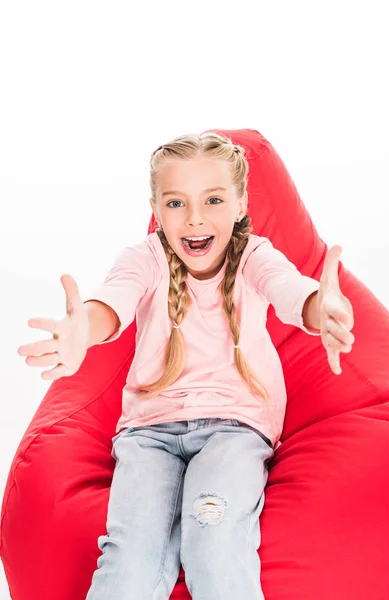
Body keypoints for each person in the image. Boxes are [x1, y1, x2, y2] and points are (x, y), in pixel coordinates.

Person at [17, 132, 355, 599]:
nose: (195, 218)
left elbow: (290, 291)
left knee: (213, 542)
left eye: (213, 200)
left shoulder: (254, 255)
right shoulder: (146, 259)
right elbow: (113, 300)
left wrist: (324, 309)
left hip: (235, 429)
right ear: (156, 208)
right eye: (176, 203)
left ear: (239, 206)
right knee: (130, 557)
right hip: (148, 435)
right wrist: (82, 331)